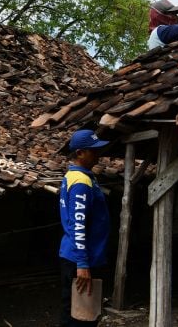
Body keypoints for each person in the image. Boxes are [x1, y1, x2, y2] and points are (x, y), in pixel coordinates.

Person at [58, 129, 110, 326]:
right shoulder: (80, 181)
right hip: (81, 258)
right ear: (79, 153)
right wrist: (82, 264)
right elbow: (78, 225)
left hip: (80, 256)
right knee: (81, 317)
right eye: (92, 151)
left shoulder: (80, 177)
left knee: (78, 313)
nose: (98, 154)